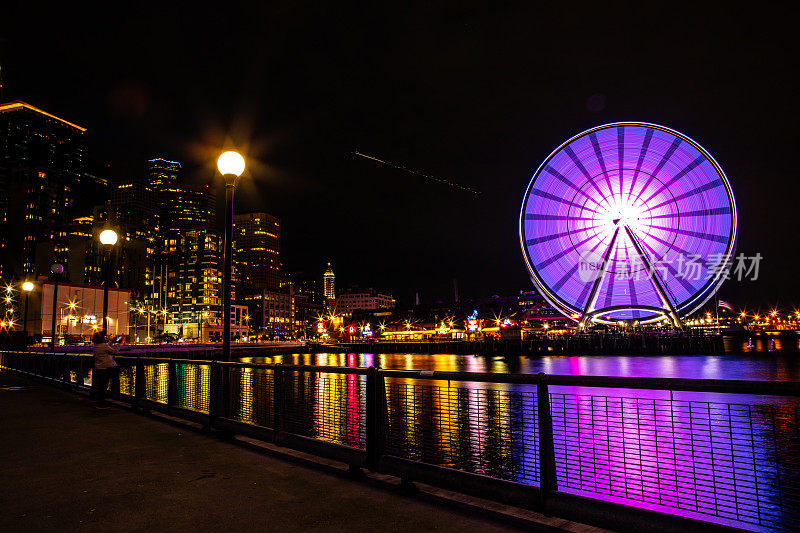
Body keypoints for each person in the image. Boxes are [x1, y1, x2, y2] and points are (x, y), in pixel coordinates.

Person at [92, 330, 119, 408]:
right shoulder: (104, 346)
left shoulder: (96, 346)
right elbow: (115, 352)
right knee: (104, 386)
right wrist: (119, 344)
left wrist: (112, 343)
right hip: (105, 368)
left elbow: (106, 347)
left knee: (100, 385)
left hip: (98, 368)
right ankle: (102, 402)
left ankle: (99, 401)